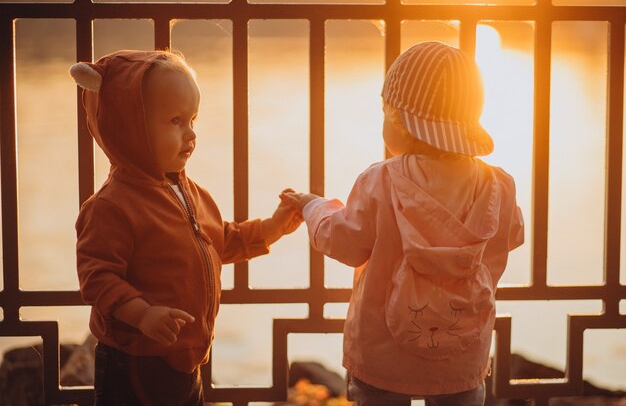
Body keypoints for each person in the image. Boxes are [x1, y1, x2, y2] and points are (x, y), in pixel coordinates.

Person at [282, 41, 524, 406]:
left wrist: (312, 207)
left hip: (384, 354)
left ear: (402, 122)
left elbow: (345, 242)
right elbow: (512, 236)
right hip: (461, 351)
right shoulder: (499, 185)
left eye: (385, 111)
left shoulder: (381, 180)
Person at [70, 50, 301, 406]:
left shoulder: (190, 193)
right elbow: (98, 278)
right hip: (134, 362)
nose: (190, 134)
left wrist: (270, 228)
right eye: (175, 121)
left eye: (193, 119)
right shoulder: (111, 207)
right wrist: (142, 313)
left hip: (184, 360)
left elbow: (218, 240)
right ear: (129, 125)